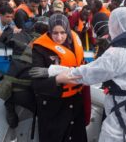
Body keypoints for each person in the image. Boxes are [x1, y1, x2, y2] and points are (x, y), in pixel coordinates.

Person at [55, 7, 126, 142]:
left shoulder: (117, 53)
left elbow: (90, 73)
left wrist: (60, 75)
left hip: (124, 109)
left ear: (115, 24)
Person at [29, 13, 88, 142]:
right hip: (53, 105)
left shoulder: (75, 40)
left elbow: (83, 67)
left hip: (75, 100)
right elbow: (36, 85)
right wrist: (57, 79)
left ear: (67, 30)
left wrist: (53, 71)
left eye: (62, 32)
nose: (59, 37)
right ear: (49, 31)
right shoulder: (39, 48)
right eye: (55, 33)